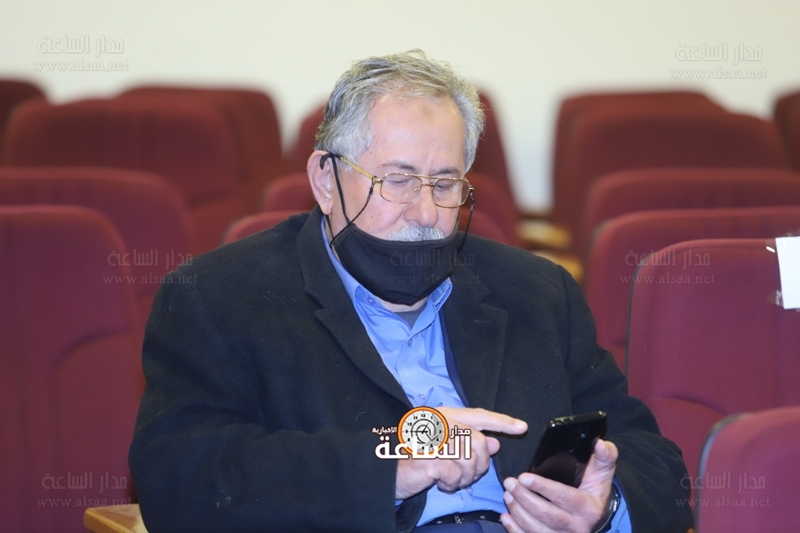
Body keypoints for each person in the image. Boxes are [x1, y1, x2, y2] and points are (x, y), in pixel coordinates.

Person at [129, 50, 693, 533]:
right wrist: (390, 465)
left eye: (445, 183)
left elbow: (654, 461)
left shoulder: (538, 291)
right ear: (326, 180)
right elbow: (179, 477)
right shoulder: (219, 297)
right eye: (397, 180)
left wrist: (604, 507)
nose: (425, 212)